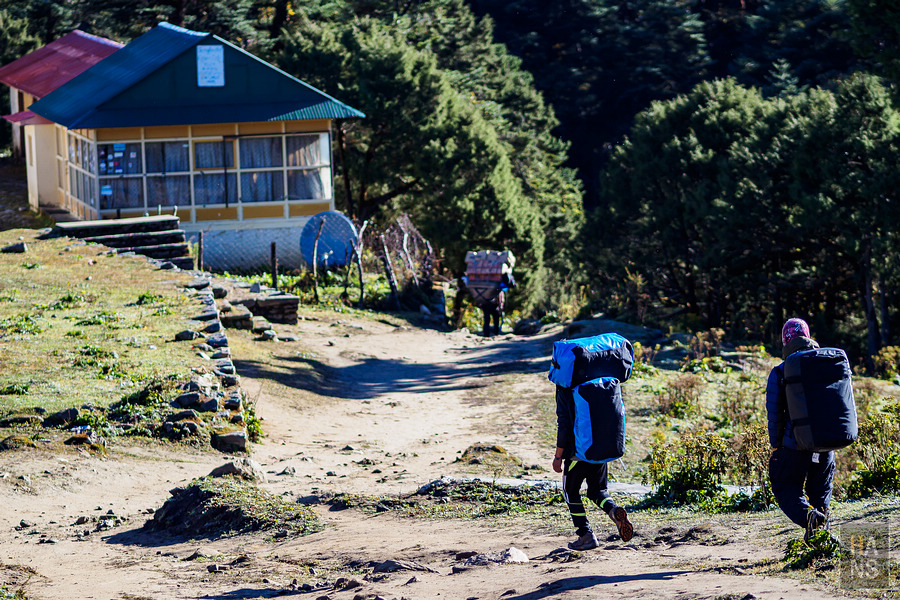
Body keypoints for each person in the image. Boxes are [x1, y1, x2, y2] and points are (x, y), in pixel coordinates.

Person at [766, 317, 834, 541]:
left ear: (785, 341)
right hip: (826, 443)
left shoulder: (780, 371)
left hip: (794, 445)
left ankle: (809, 519)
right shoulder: (828, 363)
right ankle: (819, 539)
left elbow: (775, 413)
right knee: (820, 491)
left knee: (784, 485)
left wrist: (776, 444)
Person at [553, 386, 633, 550]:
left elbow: (564, 425)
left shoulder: (565, 390)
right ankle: (613, 510)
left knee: (571, 492)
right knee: (597, 491)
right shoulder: (594, 384)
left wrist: (558, 456)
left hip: (577, 454)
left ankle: (586, 535)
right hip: (598, 449)